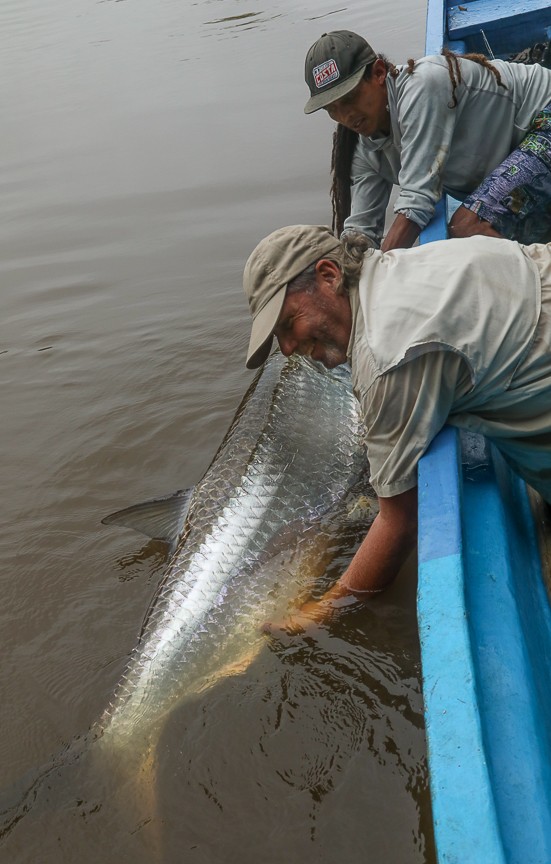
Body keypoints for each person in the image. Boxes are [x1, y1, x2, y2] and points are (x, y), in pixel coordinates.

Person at [243, 224, 551, 623]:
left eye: (288, 324)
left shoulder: (384, 357)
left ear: (329, 275)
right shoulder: (392, 268)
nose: (286, 349)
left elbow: (401, 522)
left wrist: (318, 614)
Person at [302, 30, 551, 250]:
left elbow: (417, 200)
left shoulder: (422, 86)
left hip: (544, 118)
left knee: (468, 227)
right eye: (331, 109)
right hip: (516, 153)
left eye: (350, 98)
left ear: (378, 73)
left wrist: (381, 274)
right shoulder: (364, 149)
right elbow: (362, 230)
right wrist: (349, 268)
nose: (345, 116)